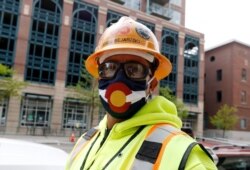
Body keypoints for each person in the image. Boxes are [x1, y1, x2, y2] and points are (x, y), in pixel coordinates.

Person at [66, 17, 217, 170]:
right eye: (109, 67)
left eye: (135, 69)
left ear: (152, 84)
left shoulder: (186, 157)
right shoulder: (85, 142)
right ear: (99, 77)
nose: (119, 79)